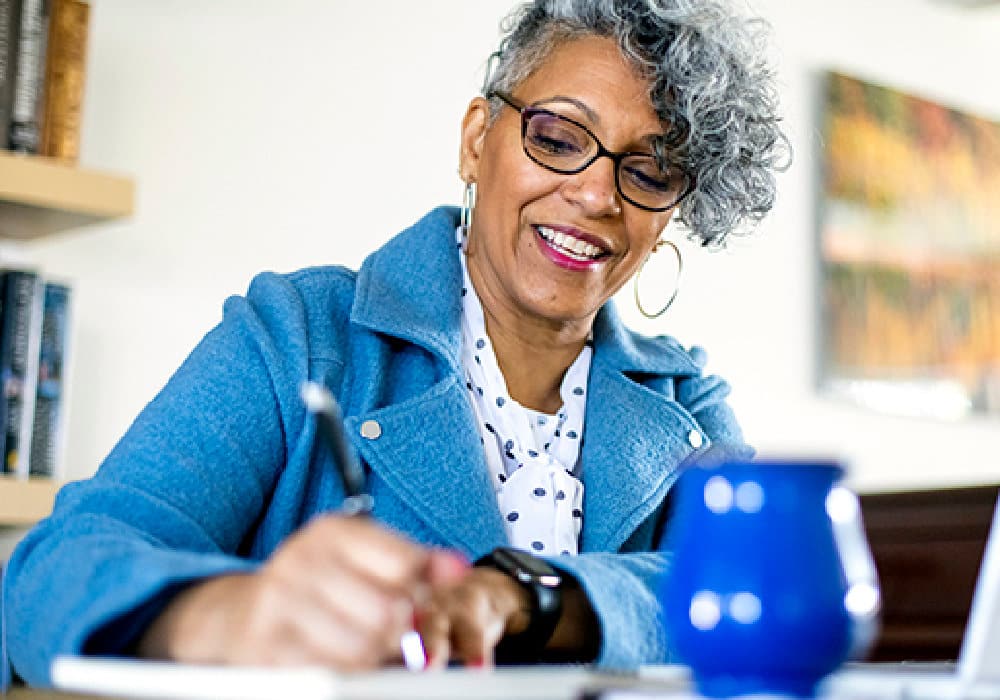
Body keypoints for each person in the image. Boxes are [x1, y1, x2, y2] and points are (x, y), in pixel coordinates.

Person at [4, 0, 788, 686]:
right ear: (478, 140)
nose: (594, 195)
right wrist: (225, 614)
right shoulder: (300, 334)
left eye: (648, 172)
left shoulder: (683, 399)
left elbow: (769, 592)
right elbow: (50, 575)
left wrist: (531, 598)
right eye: (557, 137)